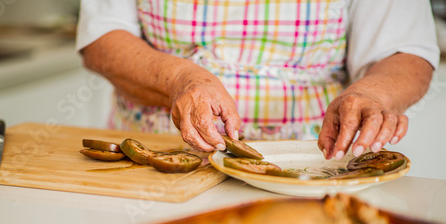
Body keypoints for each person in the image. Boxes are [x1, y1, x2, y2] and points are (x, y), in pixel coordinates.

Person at [76, 0, 439, 160]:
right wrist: (181, 79)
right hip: (159, 158)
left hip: (312, 166)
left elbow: (405, 51)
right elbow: (101, 39)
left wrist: (372, 94)